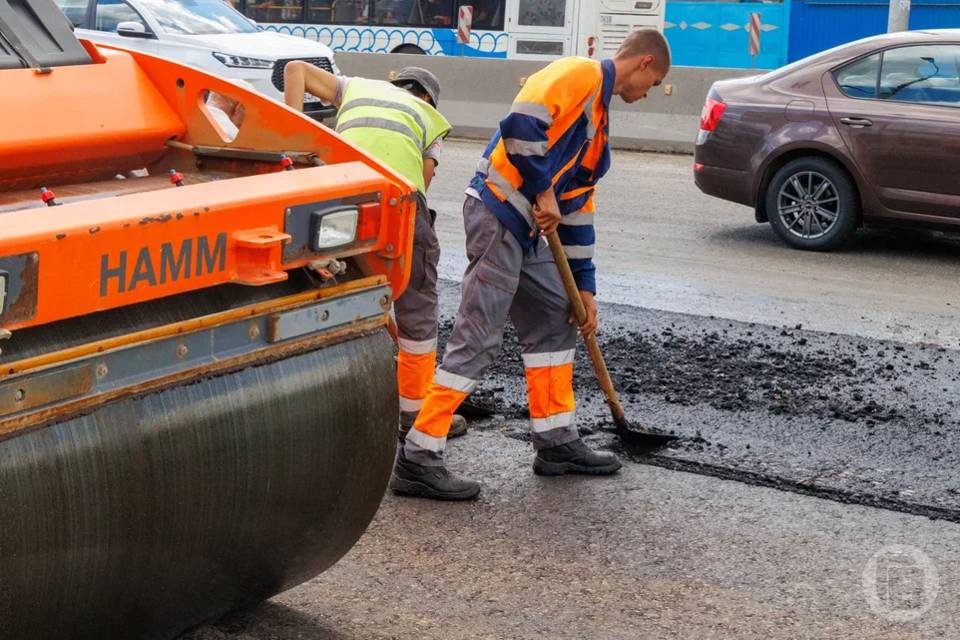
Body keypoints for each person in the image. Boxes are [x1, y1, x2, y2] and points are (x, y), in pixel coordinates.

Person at [391, 29, 672, 501]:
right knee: (478, 337)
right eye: (654, 82)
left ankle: (556, 440)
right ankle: (418, 455)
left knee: (557, 317)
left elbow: (577, 213)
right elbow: (521, 123)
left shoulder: (598, 128)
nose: (648, 93)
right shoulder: (579, 74)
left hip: (529, 230)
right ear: (643, 62)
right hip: (498, 212)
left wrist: (585, 288)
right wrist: (543, 191)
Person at [283, 62, 469, 441]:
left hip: (339, 201)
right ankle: (413, 415)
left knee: (339, 292)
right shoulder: (429, 117)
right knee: (417, 307)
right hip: (399, 201)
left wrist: (293, 142)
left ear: (395, 84)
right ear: (427, 97)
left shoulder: (356, 87)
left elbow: (294, 70)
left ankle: (331, 403)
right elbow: (424, 178)